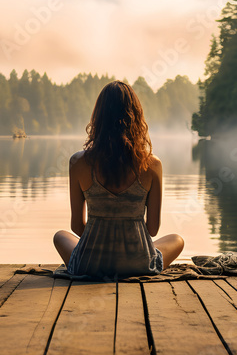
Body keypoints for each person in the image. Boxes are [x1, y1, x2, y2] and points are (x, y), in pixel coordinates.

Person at [53, 80, 185, 278]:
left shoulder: (78, 162)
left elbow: (77, 227)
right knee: (177, 239)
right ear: (136, 117)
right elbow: (153, 229)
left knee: (60, 236)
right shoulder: (152, 165)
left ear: (98, 117)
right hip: (138, 264)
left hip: (89, 265)